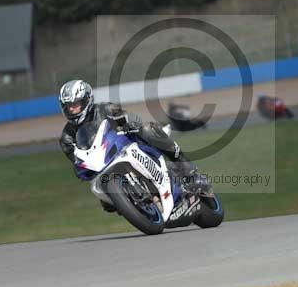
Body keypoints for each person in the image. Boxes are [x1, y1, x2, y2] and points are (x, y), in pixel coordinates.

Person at [58, 80, 204, 211]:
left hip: (124, 145)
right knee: (107, 204)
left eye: (75, 105)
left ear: (86, 100)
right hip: (102, 164)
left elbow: (129, 118)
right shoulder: (66, 137)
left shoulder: (105, 109)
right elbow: (77, 161)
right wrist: (79, 168)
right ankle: (135, 203)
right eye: (68, 107)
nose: (72, 110)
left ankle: (186, 167)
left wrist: (129, 123)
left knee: (148, 130)